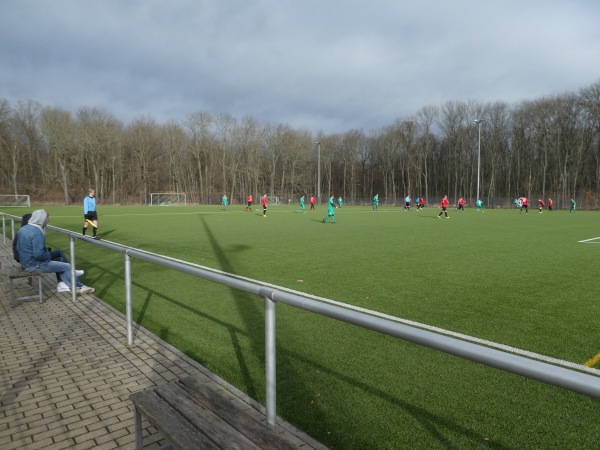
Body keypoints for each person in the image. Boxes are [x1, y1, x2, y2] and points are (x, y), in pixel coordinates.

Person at [17, 209, 94, 294]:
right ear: (41, 219)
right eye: (47, 218)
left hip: (25, 262)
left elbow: (18, 247)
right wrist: (48, 256)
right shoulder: (37, 232)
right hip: (34, 264)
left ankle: (64, 282)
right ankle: (80, 286)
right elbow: (38, 254)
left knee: (59, 256)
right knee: (66, 266)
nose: (48, 220)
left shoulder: (23, 229)